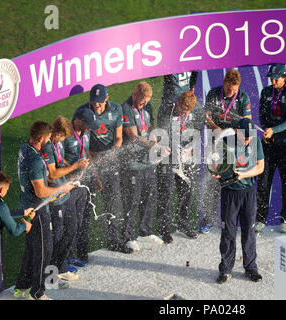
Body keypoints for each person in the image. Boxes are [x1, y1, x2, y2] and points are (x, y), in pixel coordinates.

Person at [14, 121, 75, 300]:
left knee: (32, 249)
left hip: (27, 204)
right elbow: (41, 191)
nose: (49, 141)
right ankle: (38, 292)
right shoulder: (35, 159)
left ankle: (20, 288)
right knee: (44, 250)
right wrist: (61, 189)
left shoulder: (25, 148)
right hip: (37, 211)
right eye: (48, 138)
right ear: (40, 138)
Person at [200, 68, 252, 234]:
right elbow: (206, 117)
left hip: (235, 142)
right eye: (229, 89)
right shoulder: (214, 94)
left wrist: (237, 136)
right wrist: (217, 129)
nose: (232, 92)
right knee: (214, 178)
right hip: (216, 138)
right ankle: (208, 219)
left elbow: (247, 123)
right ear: (224, 83)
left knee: (235, 179)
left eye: (234, 90)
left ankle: (234, 220)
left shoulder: (243, 97)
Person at [213, 118, 264, 284]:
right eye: (245, 136)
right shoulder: (225, 143)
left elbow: (260, 167)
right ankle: (226, 269)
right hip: (230, 193)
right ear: (237, 131)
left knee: (249, 230)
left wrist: (243, 174)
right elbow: (216, 165)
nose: (248, 139)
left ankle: (251, 267)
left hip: (248, 192)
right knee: (228, 232)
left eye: (250, 136)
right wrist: (217, 172)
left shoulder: (255, 143)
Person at [74, 84, 123, 252]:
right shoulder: (82, 113)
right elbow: (81, 145)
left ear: (107, 98)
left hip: (109, 161)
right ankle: (82, 249)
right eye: (94, 101)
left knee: (113, 203)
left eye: (100, 102)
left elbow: (118, 137)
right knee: (87, 207)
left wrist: (112, 154)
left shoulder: (116, 109)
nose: (96, 105)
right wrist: (94, 170)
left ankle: (113, 241)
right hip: (90, 162)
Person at [42, 116, 89, 281]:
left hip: (65, 192)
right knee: (57, 236)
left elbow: (60, 164)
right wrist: (75, 166)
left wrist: (74, 170)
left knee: (72, 229)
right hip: (55, 197)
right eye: (62, 137)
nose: (63, 140)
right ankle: (51, 275)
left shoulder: (59, 144)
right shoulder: (47, 147)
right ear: (56, 133)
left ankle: (61, 266)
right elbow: (52, 174)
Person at [120, 81, 164, 253]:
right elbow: (132, 136)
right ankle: (128, 237)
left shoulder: (148, 105)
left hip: (147, 161)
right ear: (135, 93)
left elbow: (150, 127)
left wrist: (156, 142)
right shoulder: (126, 108)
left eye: (146, 101)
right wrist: (153, 147)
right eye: (141, 100)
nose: (144, 104)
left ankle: (145, 232)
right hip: (132, 164)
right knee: (132, 201)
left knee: (150, 197)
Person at [255, 64, 286, 234]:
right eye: (271, 79)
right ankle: (260, 219)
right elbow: (261, 114)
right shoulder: (266, 92)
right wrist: (266, 129)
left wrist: (275, 130)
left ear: (284, 76)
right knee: (263, 183)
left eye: (276, 79)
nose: (273, 82)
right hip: (269, 145)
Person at [156, 91, 204, 244]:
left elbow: (197, 132)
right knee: (167, 192)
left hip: (186, 155)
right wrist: (174, 147)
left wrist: (189, 148)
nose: (183, 112)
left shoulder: (196, 111)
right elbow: (161, 133)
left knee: (188, 190)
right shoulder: (166, 109)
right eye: (181, 109)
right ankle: (165, 228)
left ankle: (183, 223)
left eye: (186, 111)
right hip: (168, 155)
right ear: (177, 101)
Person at [0, 172, 35, 300]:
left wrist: (22, 212)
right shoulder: (0, 206)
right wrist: (26, 226)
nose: (7, 192)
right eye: (7, 190)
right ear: (1, 189)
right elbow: (14, 231)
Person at [63, 108, 100, 267]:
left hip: (83, 183)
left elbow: (86, 154)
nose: (90, 128)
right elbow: (57, 159)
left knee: (79, 222)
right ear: (78, 120)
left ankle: (75, 255)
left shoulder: (86, 133)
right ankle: (65, 258)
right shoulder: (65, 135)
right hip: (68, 184)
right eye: (88, 125)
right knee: (68, 224)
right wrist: (73, 167)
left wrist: (95, 176)